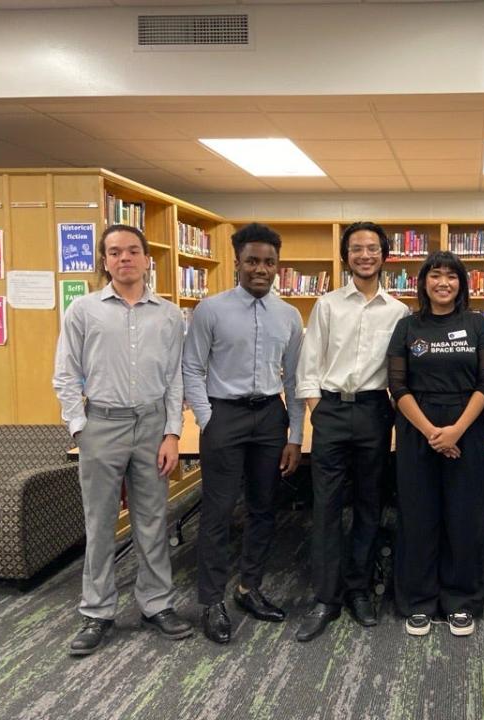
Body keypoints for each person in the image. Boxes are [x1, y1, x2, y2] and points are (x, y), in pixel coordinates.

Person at [53, 224, 192, 656]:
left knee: (153, 519)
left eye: (133, 251)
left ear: (148, 259)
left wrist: (172, 433)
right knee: (99, 524)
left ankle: (156, 604)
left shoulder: (169, 314)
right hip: (102, 425)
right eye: (115, 252)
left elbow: (174, 380)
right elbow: (64, 373)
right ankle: (97, 612)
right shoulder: (83, 311)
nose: (125, 259)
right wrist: (80, 427)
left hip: (152, 425)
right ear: (105, 260)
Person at [182, 222, 305, 645]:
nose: (261, 269)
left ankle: (248, 588)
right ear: (237, 262)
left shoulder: (289, 316)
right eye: (252, 260)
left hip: (270, 416)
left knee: (263, 509)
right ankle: (211, 600)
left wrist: (295, 435)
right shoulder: (210, 310)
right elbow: (192, 368)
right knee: (217, 513)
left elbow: (293, 378)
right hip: (224, 416)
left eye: (269, 262)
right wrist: (206, 418)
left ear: (277, 267)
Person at [294, 221, 409, 642]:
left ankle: (359, 589)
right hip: (331, 410)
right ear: (346, 257)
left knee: (369, 503)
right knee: (325, 506)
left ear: (385, 256)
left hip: (375, 411)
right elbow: (309, 363)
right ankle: (325, 597)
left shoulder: (398, 312)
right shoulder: (327, 305)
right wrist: (315, 407)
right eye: (356, 249)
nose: (364, 255)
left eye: (372, 249)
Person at [387, 251, 484, 637]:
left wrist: (455, 431)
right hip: (418, 425)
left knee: (463, 517)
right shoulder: (407, 326)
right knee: (418, 515)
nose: (443, 283)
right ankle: (418, 600)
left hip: (466, 426)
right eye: (435, 275)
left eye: (452, 276)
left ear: (462, 284)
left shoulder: (477, 325)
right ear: (424, 282)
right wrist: (434, 432)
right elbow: (397, 386)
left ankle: (460, 599)